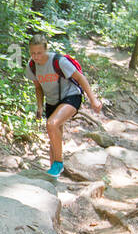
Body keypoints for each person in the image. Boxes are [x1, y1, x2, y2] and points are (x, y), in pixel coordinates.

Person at [26, 33, 102, 177]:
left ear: (46, 49)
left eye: (39, 53)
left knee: (52, 124)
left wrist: (93, 100)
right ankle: (53, 177)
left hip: (71, 96)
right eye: (33, 53)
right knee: (54, 138)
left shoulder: (59, 61)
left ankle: (59, 164)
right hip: (52, 102)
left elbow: (81, 78)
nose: (36, 57)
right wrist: (40, 107)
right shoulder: (31, 66)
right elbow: (38, 88)